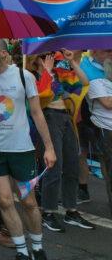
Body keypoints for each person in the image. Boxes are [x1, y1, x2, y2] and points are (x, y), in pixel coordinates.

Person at [0, 38, 57, 260]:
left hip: (20, 150)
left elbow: (36, 113)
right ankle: (22, 251)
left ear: (3, 54)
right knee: (4, 200)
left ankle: (38, 247)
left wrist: (49, 148)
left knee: (29, 201)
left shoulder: (24, 76)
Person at [34, 51, 93, 232]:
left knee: (72, 165)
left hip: (66, 118)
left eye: (51, 56)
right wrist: (47, 71)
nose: (49, 59)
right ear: (36, 58)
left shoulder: (60, 71)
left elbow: (84, 82)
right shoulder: (31, 75)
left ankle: (71, 210)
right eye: (44, 56)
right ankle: (48, 212)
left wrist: (72, 62)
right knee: (54, 166)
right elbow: (41, 95)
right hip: (49, 118)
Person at [83, 53, 112, 216]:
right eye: (108, 49)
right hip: (106, 128)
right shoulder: (88, 68)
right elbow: (107, 103)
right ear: (95, 51)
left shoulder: (106, 67)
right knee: (110, 168)